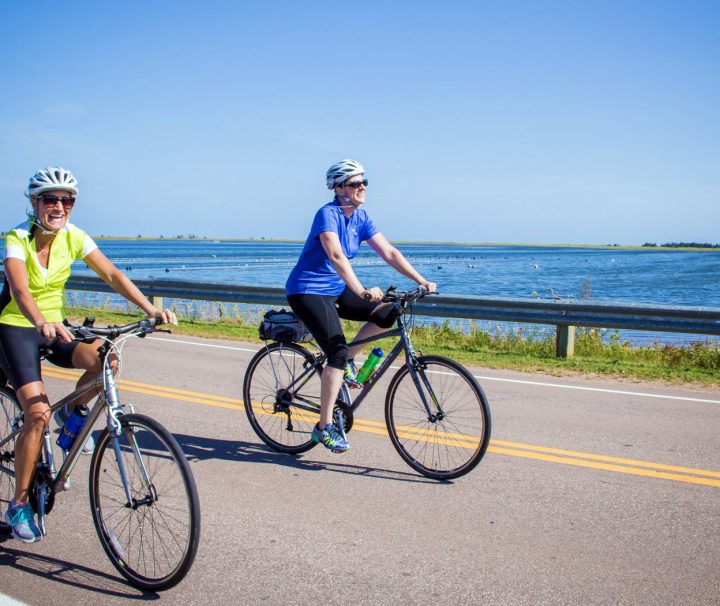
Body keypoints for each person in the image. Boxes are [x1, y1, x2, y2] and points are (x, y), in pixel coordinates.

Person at [0, 166, 177, 543]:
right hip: (17, 327)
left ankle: (72, 412)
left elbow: (112, 275)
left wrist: (150, 310)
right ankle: (17, 504)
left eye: (67, 200)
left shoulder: (74, 237)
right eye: (51, 199)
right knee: (36, 413)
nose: (60, 206)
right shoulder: (17, 237)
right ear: (35, 203)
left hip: (57, 326)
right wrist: (38, 320)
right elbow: (18, 288)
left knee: (107, 360)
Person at [285, 159, 436, 453]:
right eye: (355, 183)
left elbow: (389, 252)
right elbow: (337, 256)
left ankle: (346, 361)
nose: (362, 187)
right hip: (307, 290)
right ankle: (324, 427)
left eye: (364, 181)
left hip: (336, 288)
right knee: (337, 353)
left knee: (388, 312)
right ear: (339, 188)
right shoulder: (326, 214)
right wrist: (362, 290)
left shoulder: (362, 217)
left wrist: (421, 279)